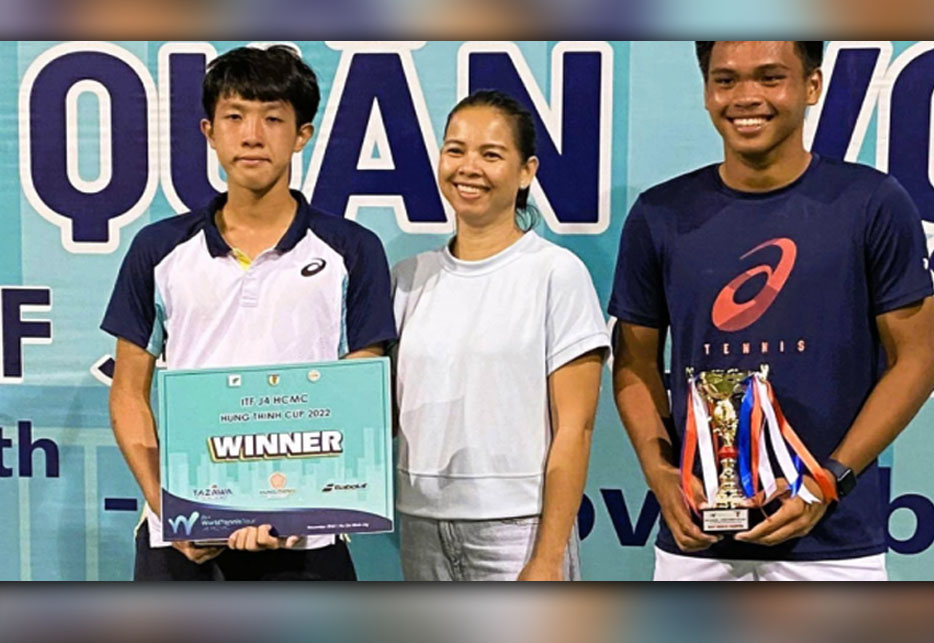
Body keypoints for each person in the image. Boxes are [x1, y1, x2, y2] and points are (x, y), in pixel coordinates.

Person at [610, 41, 934, 581]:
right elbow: (634, 363)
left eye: (769, 78)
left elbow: (918, 360)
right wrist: (659, 472)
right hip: (697, 540)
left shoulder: (872, 202)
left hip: (835, 545)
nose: (746, 98)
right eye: (726, 80)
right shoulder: (659, 214)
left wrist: (826, 481)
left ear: (812, 86)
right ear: (706, 90)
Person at [102, 45, 396, 580]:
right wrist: (173, 510)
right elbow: (127, 393)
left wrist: (297, 505)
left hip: (307, 538)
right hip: (184, 538)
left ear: (302, 134)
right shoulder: (159, 248)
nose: (253, 135)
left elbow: (359, 398)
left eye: (273, 118)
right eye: (235, 116)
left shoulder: (353, 251)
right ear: (209, 130)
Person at [391, 90, 610, 580]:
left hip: (519, 530)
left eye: (491, 154)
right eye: (456, 149)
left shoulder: (556, 273)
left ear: (526, 171)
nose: (469, 167)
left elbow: (576, 429)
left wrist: (548, 557)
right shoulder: (408, 277)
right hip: (422, 524)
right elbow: (381, 414)